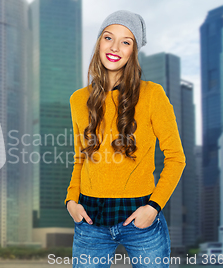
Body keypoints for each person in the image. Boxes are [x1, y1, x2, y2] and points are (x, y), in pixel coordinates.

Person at [64, 10, 186, 268]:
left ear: (134, 51)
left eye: (126, 41)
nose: (115, 47)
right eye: (109, 37)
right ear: (99, 41)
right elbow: (80, 158)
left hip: (141, 218)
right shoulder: (78, 100)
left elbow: (176, 158)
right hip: (89, 222)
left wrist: (153, 208)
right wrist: (71, 201)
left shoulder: (153, 95)